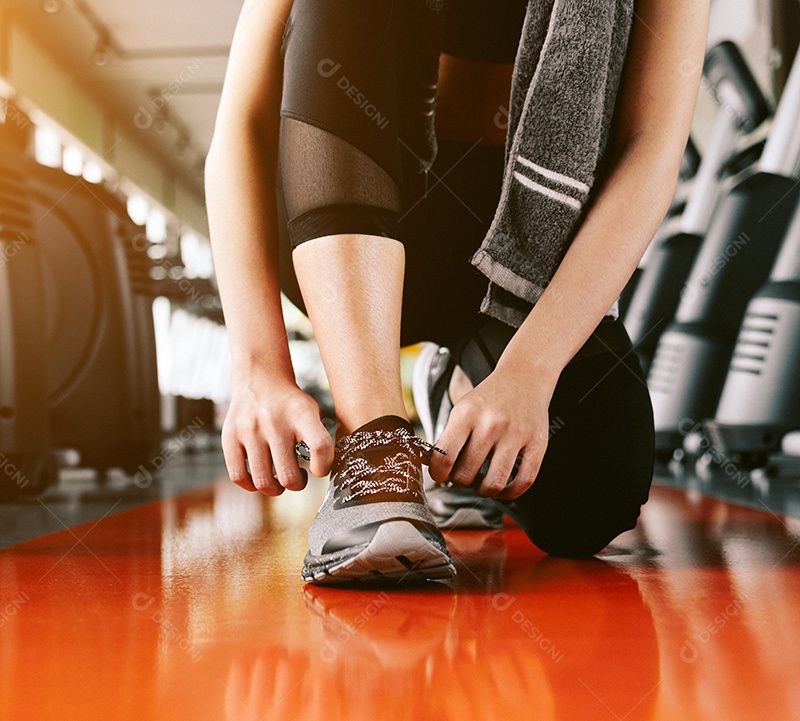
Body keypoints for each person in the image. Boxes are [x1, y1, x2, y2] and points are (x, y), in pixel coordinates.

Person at [206, 0, 709, 584]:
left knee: (592, 490)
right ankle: (376, 454)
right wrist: (258, 368)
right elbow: (240, 126)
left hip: (520, 252)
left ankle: (457, 383)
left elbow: (651, 149)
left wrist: (530, 371)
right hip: (352, 215)